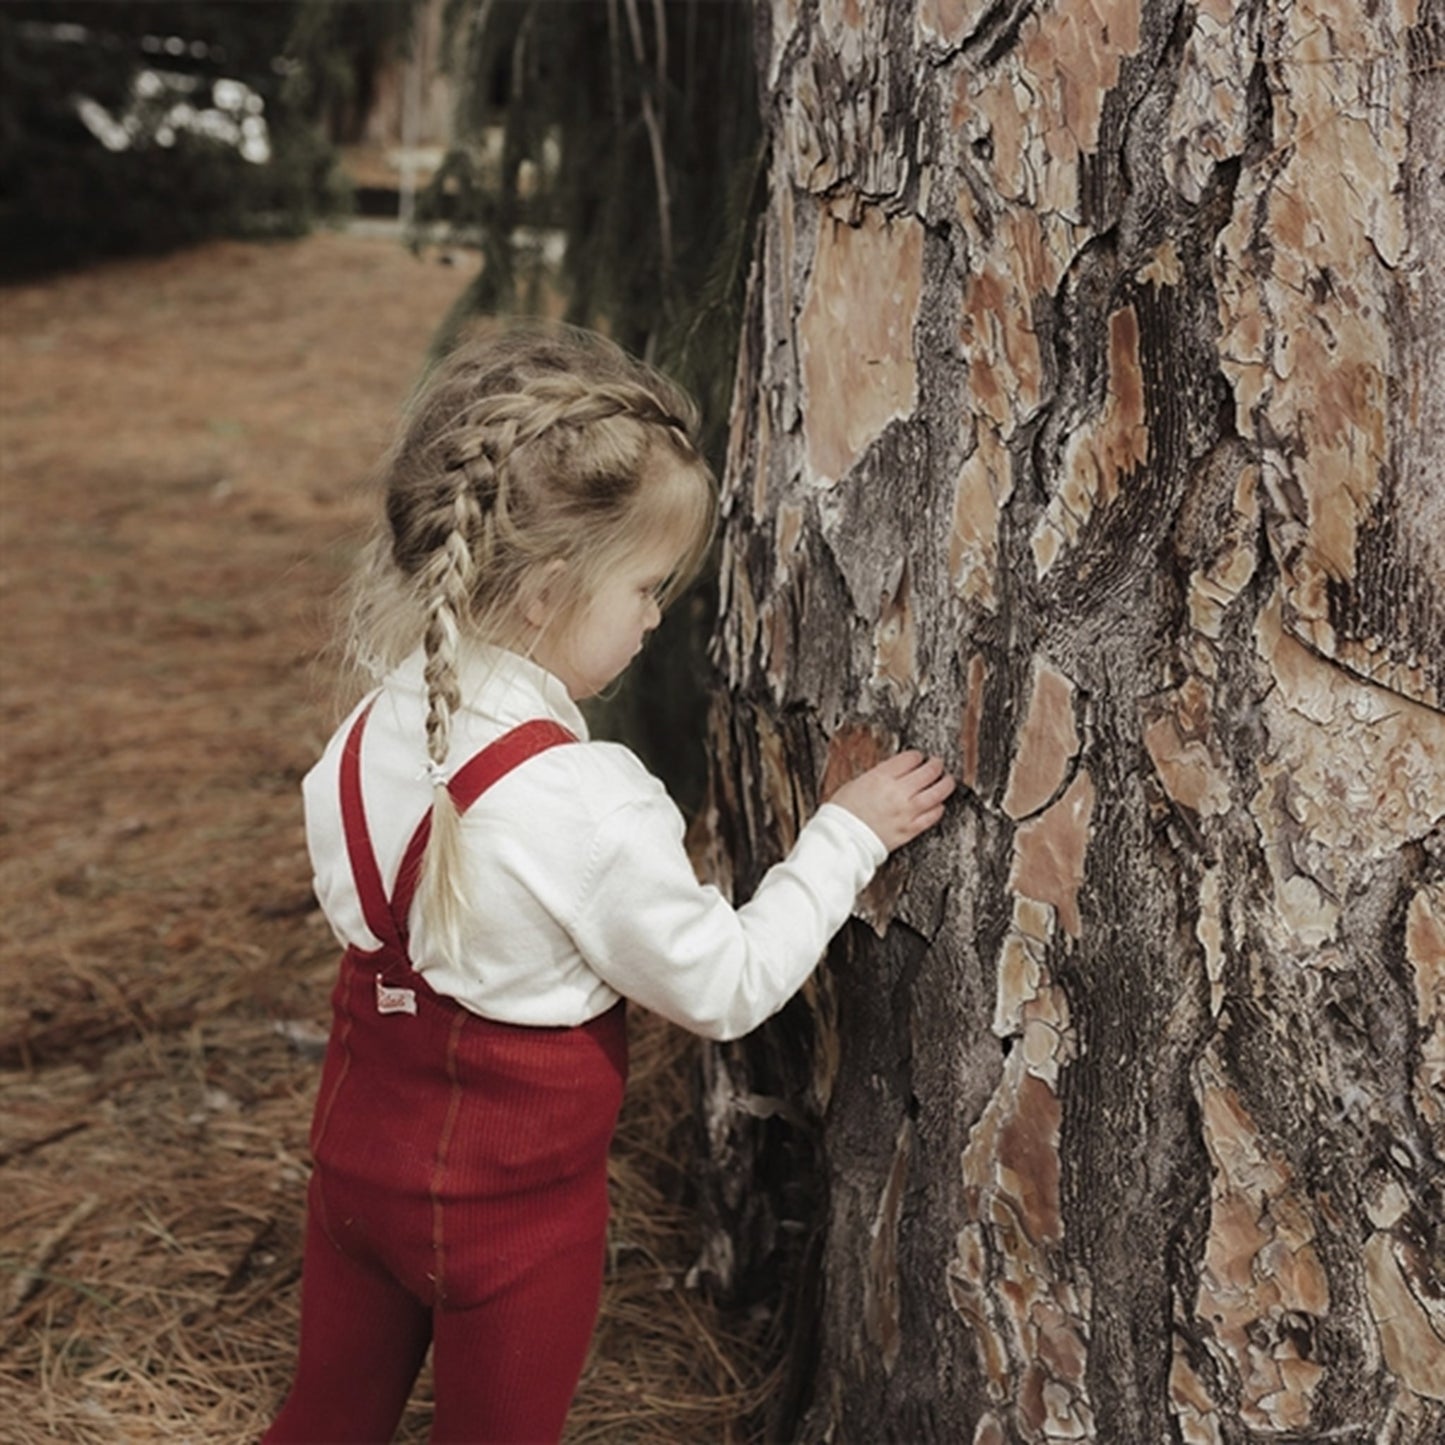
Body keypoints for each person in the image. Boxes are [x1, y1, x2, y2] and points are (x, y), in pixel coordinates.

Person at [263, 325, 954, 1444]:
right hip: (511, 1229)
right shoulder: (585, 801)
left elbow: (377, 915)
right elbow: (724, 984)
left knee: (325, 1418)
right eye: (643, 585)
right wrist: (842, 834)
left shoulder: (361, 733)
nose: (654, 615)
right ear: (544, 592)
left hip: (354, 1179)